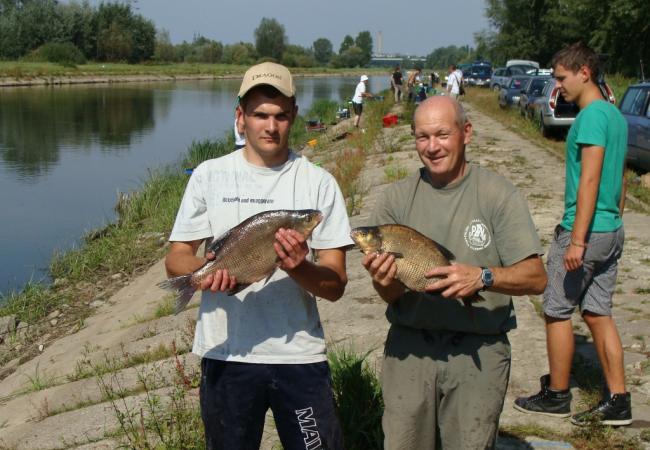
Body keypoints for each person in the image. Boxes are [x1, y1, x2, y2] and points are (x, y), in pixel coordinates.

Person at [164, 61, 352, 449]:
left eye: (281, 115)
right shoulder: (209, 175)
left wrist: (299, 267)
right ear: (240, 117)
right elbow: (177, 257)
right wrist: (207, 272)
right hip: (226, 355)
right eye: (260, 115)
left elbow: (335, 286)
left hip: (299, 357)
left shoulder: (319, 183)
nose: (271, 126)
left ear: (294, 115)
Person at [361, 96, 547, 449]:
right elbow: (389, 296)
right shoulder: (396, 200)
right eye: (422, 137)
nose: (432, 147)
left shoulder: (497, 194)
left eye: (442, 135)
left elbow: (537, 277)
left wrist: (484, 277)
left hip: (477, 349)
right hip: (410, 347)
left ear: (466, 133)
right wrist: (383, 281)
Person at [514, 42, 632, 426]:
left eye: (562, 77)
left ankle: (557, 395)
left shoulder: (592, 117)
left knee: (556, 309)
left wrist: (578, 239)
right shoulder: (614, 115)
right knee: (598, 313)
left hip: (585, 229)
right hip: (610, 227)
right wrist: (615, 217)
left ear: (585, 73)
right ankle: (618, 400)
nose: (558, 85)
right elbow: (622, 175)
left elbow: (591, 179)